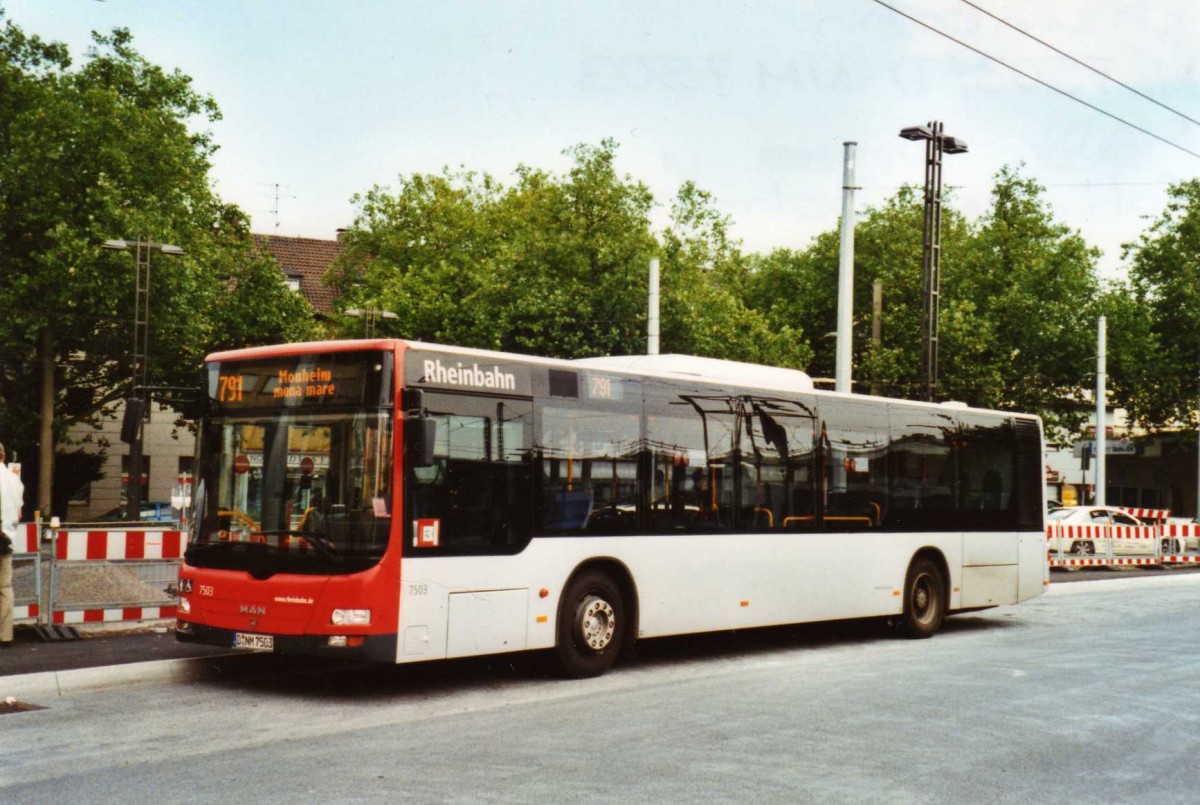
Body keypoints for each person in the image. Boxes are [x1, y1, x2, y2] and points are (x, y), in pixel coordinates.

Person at [0, 442, 25, 648]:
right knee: (5, 587)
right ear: (4, 455)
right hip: (6, 540)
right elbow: (19, 514)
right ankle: (5, 634)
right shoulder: (15, 480)